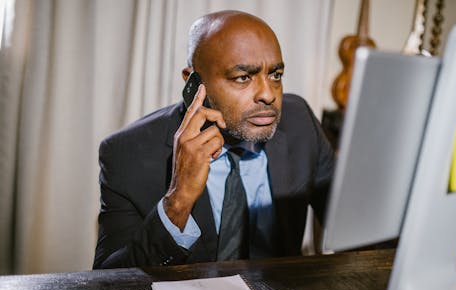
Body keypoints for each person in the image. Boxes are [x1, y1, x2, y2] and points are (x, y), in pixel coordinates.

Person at [93, 10, 334, 269]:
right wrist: (178, 200)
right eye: (243, 77)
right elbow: (109, 280)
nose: (268, 94)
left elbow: (352, 220)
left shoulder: (300, 123)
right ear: (193, 82)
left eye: (275, 74)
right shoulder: (127, 153)